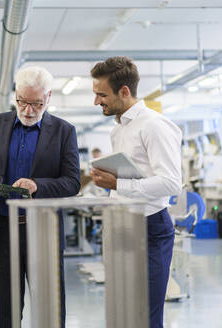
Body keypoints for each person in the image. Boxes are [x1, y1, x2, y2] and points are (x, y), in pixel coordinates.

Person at [0, 66, 80, 328]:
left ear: (48, 98)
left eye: (36, 104)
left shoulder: (64, 132)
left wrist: (37, 185)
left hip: (42, 232)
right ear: (15, 95)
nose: (28, 110)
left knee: (50, 312)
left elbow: (72, 182)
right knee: (5, 313)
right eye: (22, 102)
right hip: (1, 232)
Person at [89, 56, 182, 328]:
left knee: (146, 315)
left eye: (101, 94)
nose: (97, 102)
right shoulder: (118, 130)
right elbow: (134, 176)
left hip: (150, 227)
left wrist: (117, 184)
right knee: (124, 312)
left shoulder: (154, 125)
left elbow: (170, 182)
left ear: (124, 91)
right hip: (122, 224)